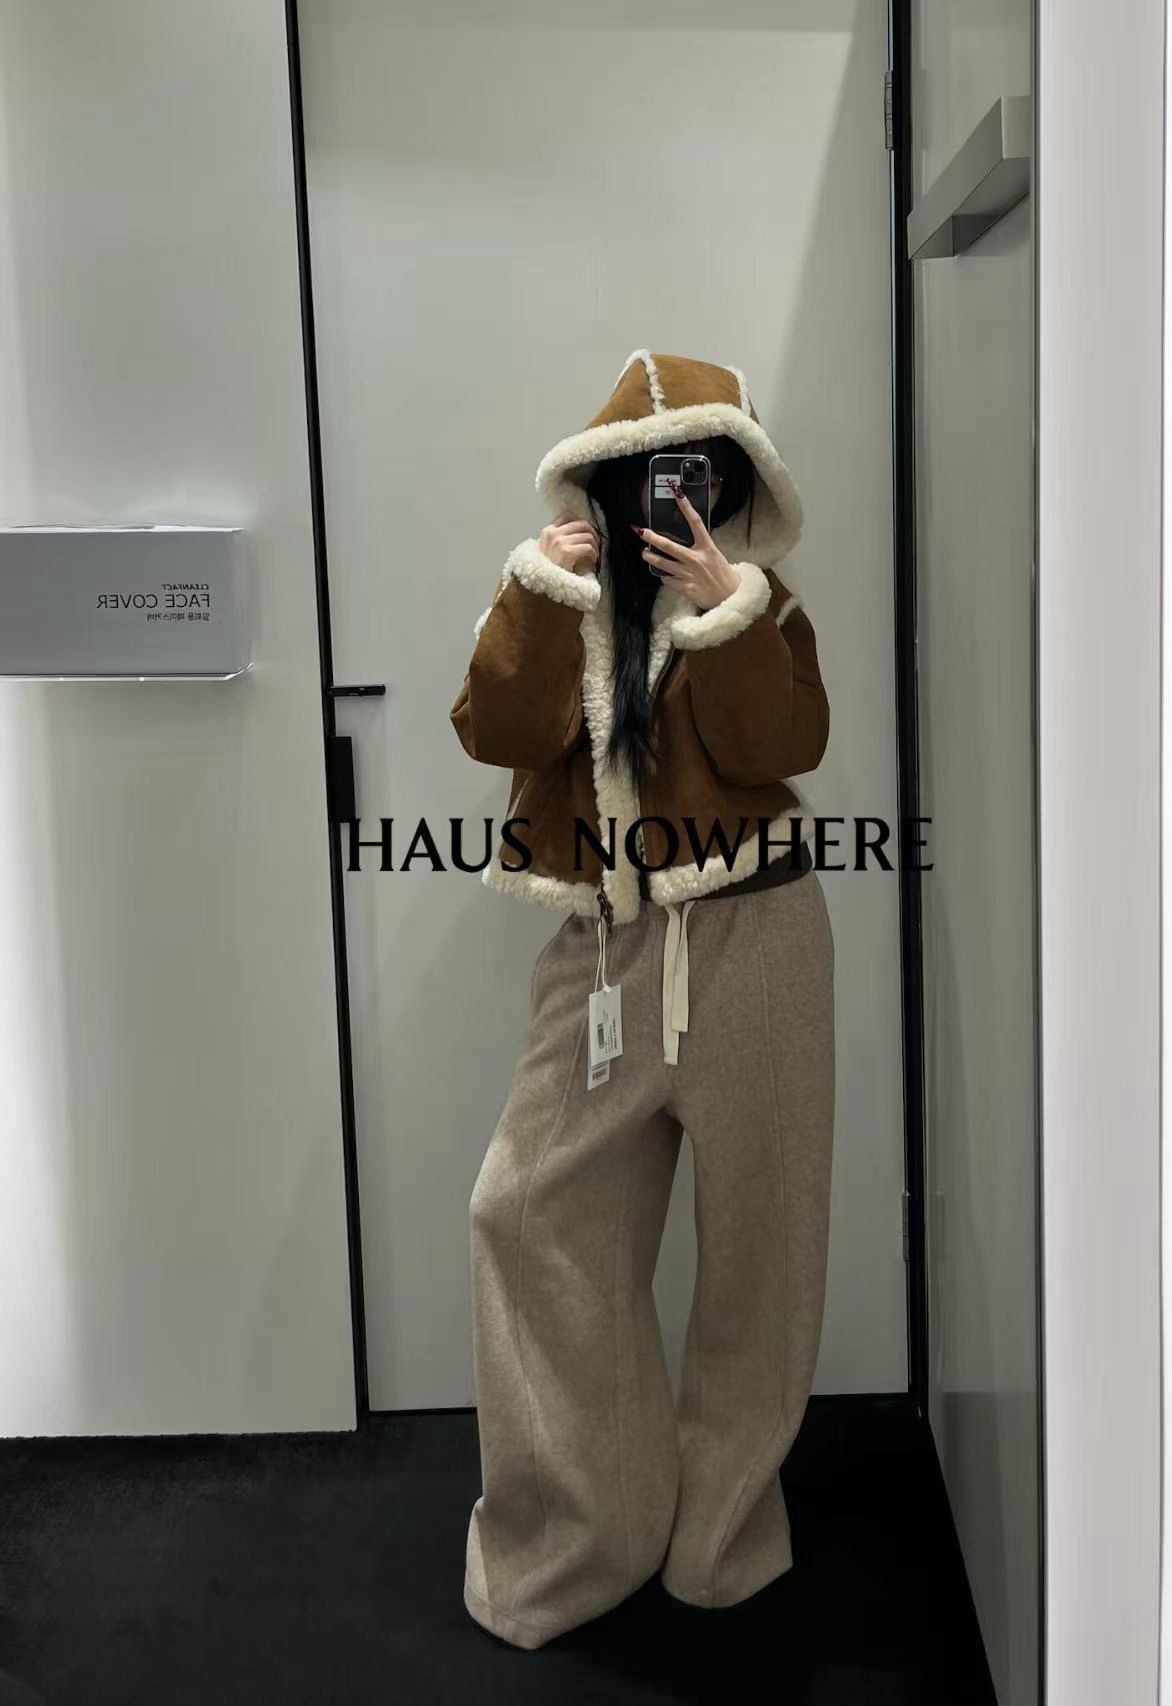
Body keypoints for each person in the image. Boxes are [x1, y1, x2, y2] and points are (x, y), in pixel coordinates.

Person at [449, 348, 836, 1650]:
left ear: (729, 482)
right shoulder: (556, 592)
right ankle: (579, 1537)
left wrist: (732, 615)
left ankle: (722, 1537)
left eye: (697, 474)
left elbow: (783, 748)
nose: (673, 495)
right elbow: (495, 731)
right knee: (523, 1212)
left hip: (760, 939)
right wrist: (544, 587)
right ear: (606, 482)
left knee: (763, 1256)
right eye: (646, 474)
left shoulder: (764, 606)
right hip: (604, 953)